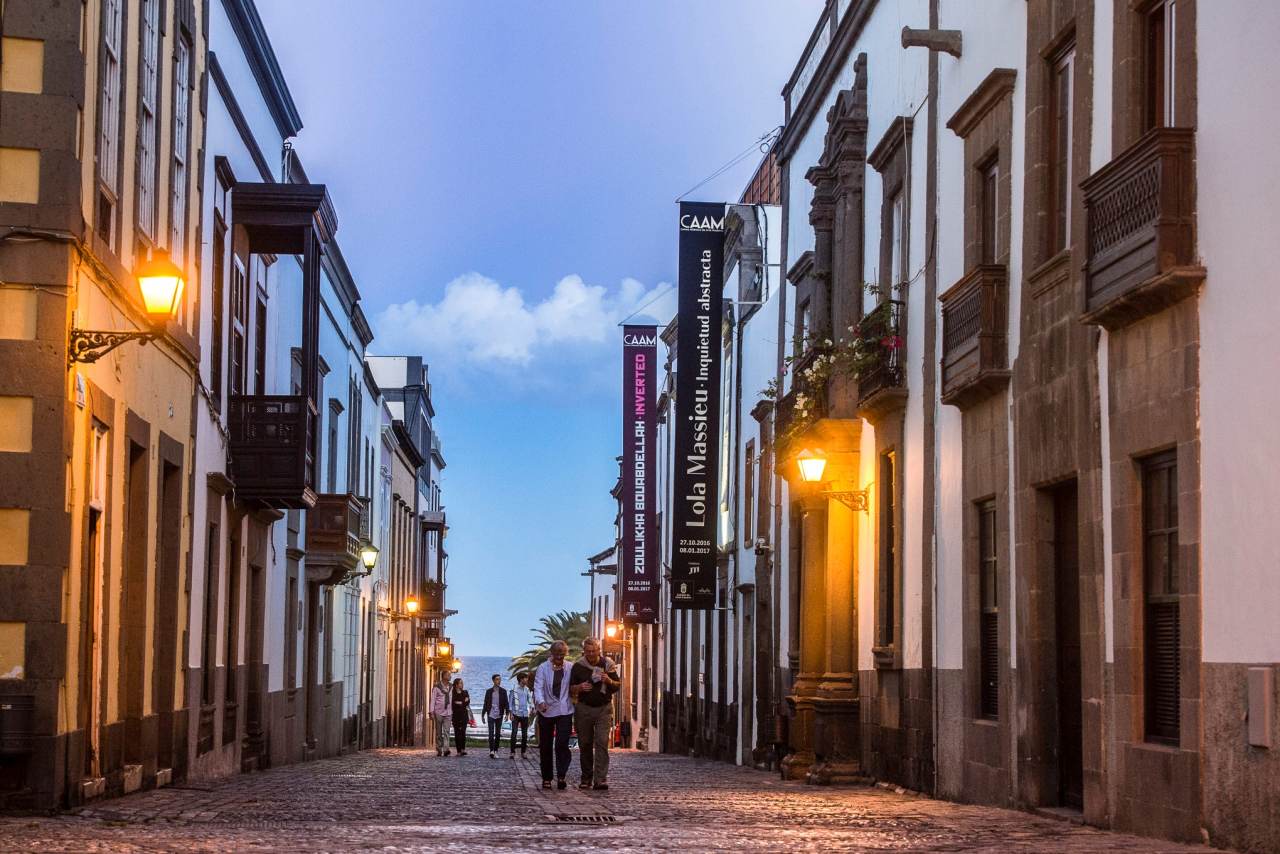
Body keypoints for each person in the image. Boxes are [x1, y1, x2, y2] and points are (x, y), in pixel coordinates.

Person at [570, 637, 620, 790]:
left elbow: (617, 686)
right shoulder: (578, 666)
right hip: (584, 709)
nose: (591, 654)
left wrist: (608, 680)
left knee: (602, 742)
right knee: (585, 744)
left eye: (594, 651)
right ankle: (586, 778)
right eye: (588, 651)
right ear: (584, 651)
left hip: (604, 709)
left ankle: (601, 779)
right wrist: (579, 687)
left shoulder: (607, 665)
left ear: (599, 650)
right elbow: (570, 688)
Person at [532, 640, 574, 789]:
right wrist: (541, 701)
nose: (559, 658)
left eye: (562, 655)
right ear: (551, 653)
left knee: (562, 743)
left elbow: (574, 684)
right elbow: (538, 687)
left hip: (564, 710)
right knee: (546, 745)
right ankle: (547, 777)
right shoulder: (543, 668)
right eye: (557, 654)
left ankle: (561, 775)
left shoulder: (570, 667)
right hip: (546, 710)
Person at [481, 674, 509, 758]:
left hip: (499, 714)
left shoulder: (503, 691)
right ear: (493, 681)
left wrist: (507, 714)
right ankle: (491, 751)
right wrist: (482, 715)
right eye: (497, 679)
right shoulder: (489, 691)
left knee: (497, 733)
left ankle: (496, 750)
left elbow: (506, 703)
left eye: (500, 679)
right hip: (491, 714)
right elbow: (485, 703)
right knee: (490, 733)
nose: (499, 681)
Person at [508, 671, 532, 758]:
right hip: (515, 714)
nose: (527, 680)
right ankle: (512, 752)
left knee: (525, 734)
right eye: (525, 678)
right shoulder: (514, 689)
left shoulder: (527, 689)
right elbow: (510, 703)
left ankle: (523, 752)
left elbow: (530, 701)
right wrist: (510, 714)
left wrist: (532, 708)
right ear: (521, 679)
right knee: (514, 733)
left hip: (525, 714)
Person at [430, 673, 452, 756]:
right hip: (438, 712)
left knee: (447, 731)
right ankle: (439, 748)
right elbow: (433, 700)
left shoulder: (451, 687)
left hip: (448, 712)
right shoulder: (437, 687)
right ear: (444, 676)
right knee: (439, 732)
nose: (450, 676)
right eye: (448, 675)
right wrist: (431, 712)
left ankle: (446, 749)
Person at [450, 678, 473, 756]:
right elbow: (453, 704)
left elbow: (467, 702)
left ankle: (463, 749)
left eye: (462, 683)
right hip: (456, 715)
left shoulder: (465, 692)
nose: (462, 684)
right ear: (456, 684)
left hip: (464, 715)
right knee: (457, 733)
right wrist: (463, 702)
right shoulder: (452, 693)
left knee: (463, 732)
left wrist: (460, 702)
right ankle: (458, 751)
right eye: (460, 683)